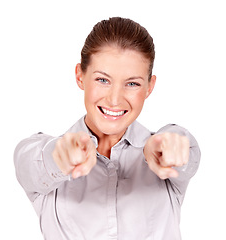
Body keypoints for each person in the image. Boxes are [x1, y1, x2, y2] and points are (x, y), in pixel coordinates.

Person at [14, 17, 200, 240]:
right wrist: (60, 156)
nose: (114, 100)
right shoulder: (46, 157)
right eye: (103, 80)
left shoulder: (165, 156)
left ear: (149, 87)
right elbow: (32, 160)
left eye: (132, 83)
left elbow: (186, 151)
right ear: (80, 76)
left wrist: (171, 145)